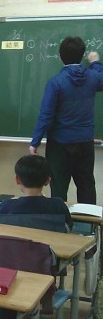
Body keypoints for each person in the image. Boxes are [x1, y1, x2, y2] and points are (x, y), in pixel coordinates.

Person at [29, 39, 103, 204]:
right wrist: (95, 63)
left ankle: (59, 219)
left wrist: (35, 142)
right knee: (86, 183)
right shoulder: (92, 77)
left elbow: (46, 115)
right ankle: (88, 220)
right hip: (85, 141)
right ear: (82, 55)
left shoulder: (56, 82)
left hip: (59, 144)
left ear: (60, 56)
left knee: (58, 185)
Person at [0, 155, 73, 230]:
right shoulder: (58, 205)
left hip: (15, 240)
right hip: (49, 240)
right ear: (47, 181)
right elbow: (69, 227)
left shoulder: (5, 206)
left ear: (17, 180)